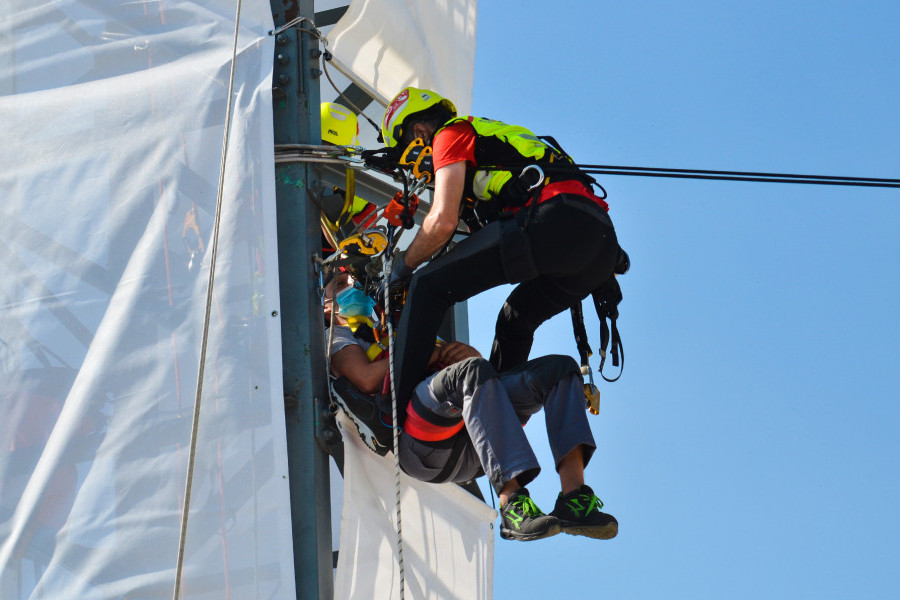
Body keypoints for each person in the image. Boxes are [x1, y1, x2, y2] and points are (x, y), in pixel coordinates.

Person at [324, 271, 618, 541]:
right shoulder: (337, 336)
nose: (352, 285)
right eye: (339, 284)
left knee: (560, 369)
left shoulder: (394, 328)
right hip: (420, 443)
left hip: (472, 437)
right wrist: (431, 355)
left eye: (352, 282)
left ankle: (574, 499)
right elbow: (365, 379)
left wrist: (470, 355)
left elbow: (474, 377)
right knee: (471, 371)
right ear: (325, 305)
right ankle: (513, 505)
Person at [379, 87, 622, 405]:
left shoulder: (450, 134)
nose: (413, 170)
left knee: (427, 285)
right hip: (600, 247)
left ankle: (393, 410)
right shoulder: (491, 143)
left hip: (552, 220)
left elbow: (441, 223)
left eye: (405, 156)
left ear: (420, 132)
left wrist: (401, 270)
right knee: (515, 321)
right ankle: (503, 415)